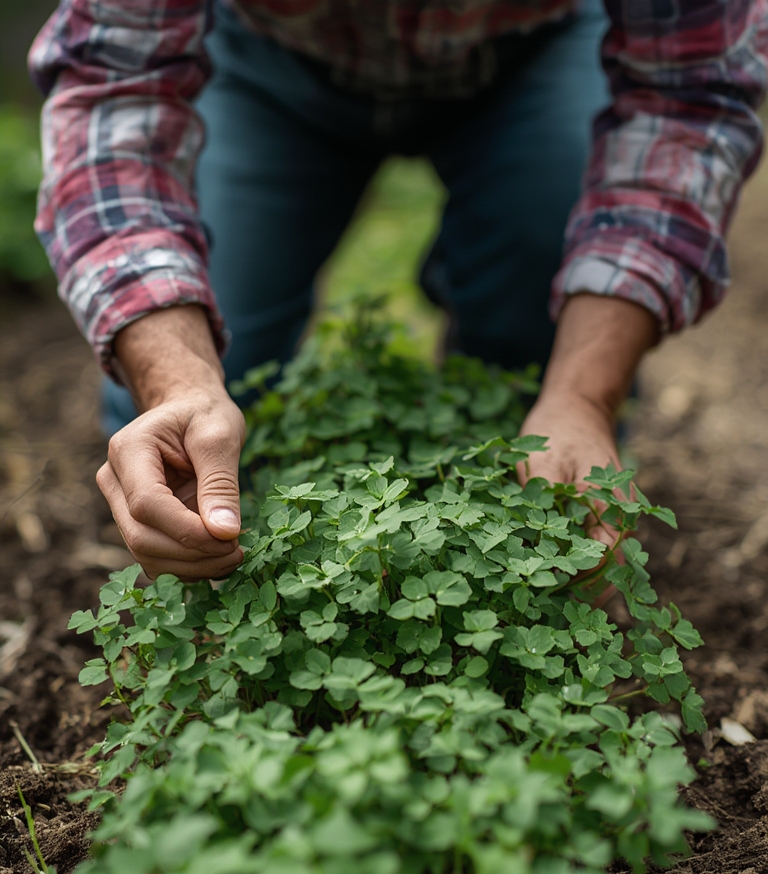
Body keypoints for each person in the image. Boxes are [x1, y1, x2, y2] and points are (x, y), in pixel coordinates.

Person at [29, 0, 767, 582]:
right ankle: (188, 575)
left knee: (538, 359)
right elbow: (111, 87)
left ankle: (545, 489)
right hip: (265, 47)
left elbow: (690, 95)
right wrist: (176, 377)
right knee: (187, 410)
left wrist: (584, 395)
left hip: (542, 41)